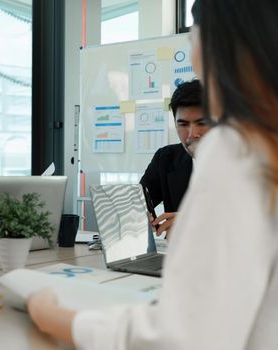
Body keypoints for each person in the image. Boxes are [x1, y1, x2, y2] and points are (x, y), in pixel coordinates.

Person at [27, 0, 278, 348]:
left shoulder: (238, 149)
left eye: (195, 40)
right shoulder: (255, 148)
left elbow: (183, 336)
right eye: (183, 124)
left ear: (215, 46)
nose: (193, 133)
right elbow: (141, 197)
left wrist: (56, 318)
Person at [140, 80, 212, 238]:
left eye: (202, 123)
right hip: (176, 256)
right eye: (183, 124)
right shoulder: (165, 158)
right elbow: (140, 203)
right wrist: (139, 217)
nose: (192, 134)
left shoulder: (250, 162)